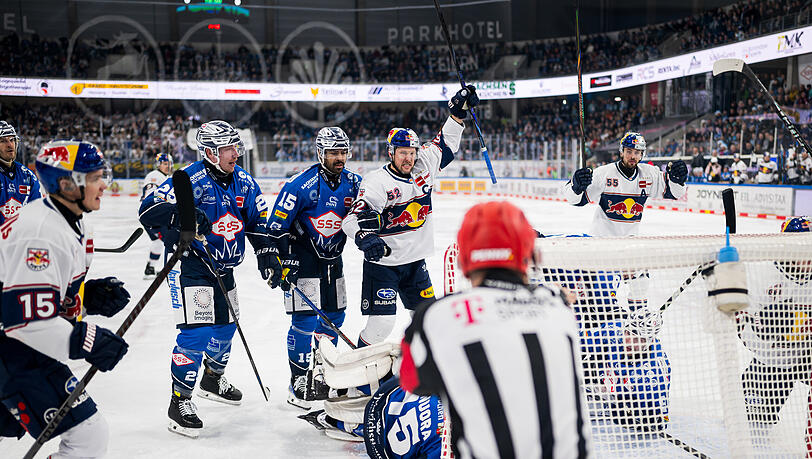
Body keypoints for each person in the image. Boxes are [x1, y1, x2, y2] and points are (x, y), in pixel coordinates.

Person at [400, 201, 592, 458]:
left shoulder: (436, 316)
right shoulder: (558, 307)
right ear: (530, 255)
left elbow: (413, 383)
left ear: (465, 257)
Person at [139, 120, 275, 438]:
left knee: (228, 326)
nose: (235, 153)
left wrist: (267, 250)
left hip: (224, 269)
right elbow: (147, 211)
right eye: (229, 148)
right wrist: (183, 215)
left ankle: (213, 378)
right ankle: (180, 400)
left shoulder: (244, 181)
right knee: (197, 333)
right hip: (191, 267)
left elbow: (257, 221)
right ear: (211, 152)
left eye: (236, 147)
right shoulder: (187, 179)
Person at [0, 140, 130, 457]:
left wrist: (86, 299)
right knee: (88, 434)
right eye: (95, 177)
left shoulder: (71, 221)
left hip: (18, 341)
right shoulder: (41, 232)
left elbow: (41, 296)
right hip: (14, 347)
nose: (104, 185)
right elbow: (25, 320)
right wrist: (88, 341)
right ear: (67, 184)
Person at [342, 85, 479, 347]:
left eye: (412, 151)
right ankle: (359, 374)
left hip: (416, 264)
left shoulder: (424, 164)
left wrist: (458, 112)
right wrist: (364, 238)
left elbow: (446, 141)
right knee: (381, 326)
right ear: (390, 152)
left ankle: (422, 370)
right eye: (402, 152)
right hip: (384, 266)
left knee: (428, 321)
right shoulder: (377, 182)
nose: (409, 157)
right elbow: (350, 219)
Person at [263, 126, 362, 409]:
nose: (339, 157)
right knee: (304, 321)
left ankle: (320, 370)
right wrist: (284, 258)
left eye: (342, 152)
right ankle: (298, 379)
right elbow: (276, 227)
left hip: (334, 261)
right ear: (321, 153)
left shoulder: (355, 184)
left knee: (334, 318)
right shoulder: (299, 185)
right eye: (333, 152)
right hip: (304, 260)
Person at [737, 217, 811, 432]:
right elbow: (742, 327)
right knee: (755, 423)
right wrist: (764, 331)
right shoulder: (762, 277)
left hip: (808, 355)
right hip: (773, 362)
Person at [562, 131, 687, 236]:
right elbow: (575, 201)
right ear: (621, 152)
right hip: (601, 241)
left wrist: (677, 180)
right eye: (628, 151)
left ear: (642, 155)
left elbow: (674, 193)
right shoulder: (604, 173)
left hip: (629, 243)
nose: (632, 156)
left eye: (637, 152)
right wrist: (576, 187)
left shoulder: (650, 174)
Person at [580, 308, 671, 432]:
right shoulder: (615, 329)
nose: (630, 342)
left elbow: (660, 422)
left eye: (639, 339)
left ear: (650, 341)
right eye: (628, 333)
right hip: (601, 382)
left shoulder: (653, 373)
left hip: (620, 400)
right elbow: (579, 340)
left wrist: (632, 415)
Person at [0, 120, 41, 224]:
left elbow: (37, 213)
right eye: (3, 141)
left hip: (22, 237)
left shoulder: (28, 176)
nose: (10, 145)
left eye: (12, 140)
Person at [140, 152, 173, 279]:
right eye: (165, 164)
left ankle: (150, 268)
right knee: (172, 241)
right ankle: (170, 269)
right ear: (158, 165)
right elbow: (151, 196)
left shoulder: (164, 176)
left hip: (156, 214)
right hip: (153, 214)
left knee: (158, 241)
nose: (168, 166)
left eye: (169, 164)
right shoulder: (155, 176)